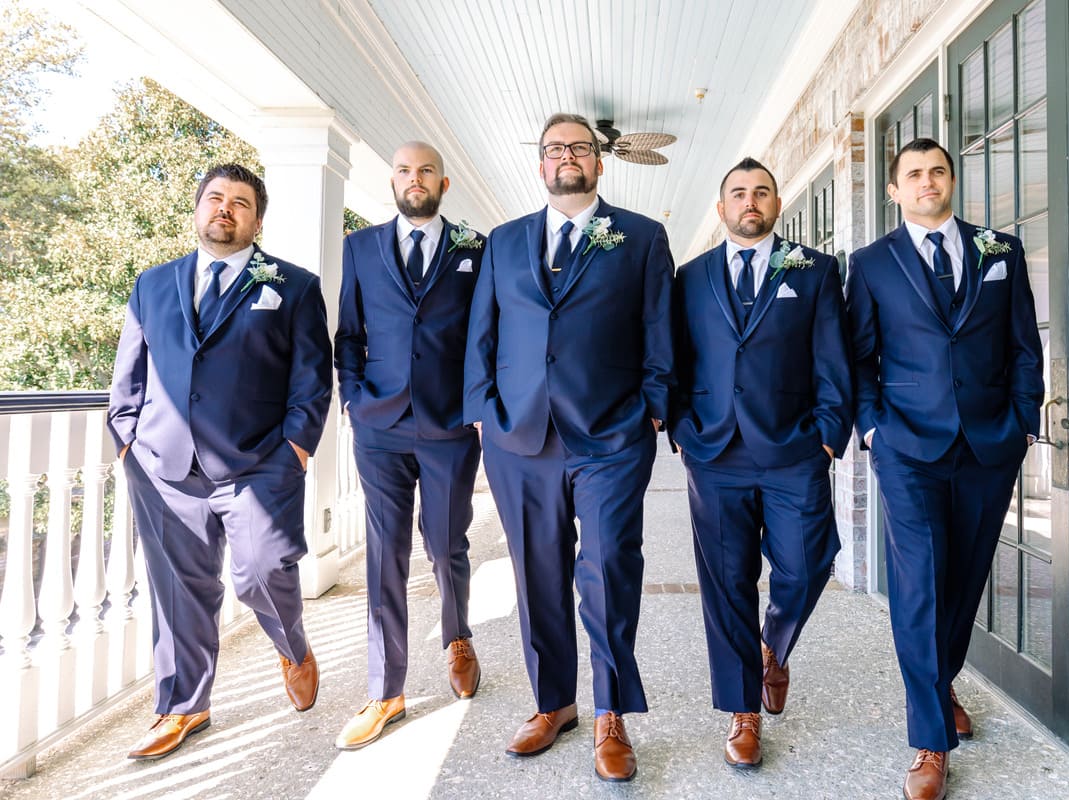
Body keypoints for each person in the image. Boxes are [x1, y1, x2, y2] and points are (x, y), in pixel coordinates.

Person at [463, 112, 673, 782]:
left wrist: (653, 408)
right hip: (519, 436)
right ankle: (554, 703)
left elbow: (659, 330)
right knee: (536, 573)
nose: (566, 158)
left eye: (578, 148)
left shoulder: (639, 237)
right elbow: (482, 334)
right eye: (554, 149)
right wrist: (483, 414)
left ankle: (611, 713)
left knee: (608, 566)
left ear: (599, 161)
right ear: (541, 163)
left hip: (611, 434)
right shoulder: (504, 242)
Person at [107, 163, 333, 760]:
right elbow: (129, 372)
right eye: (214, 198)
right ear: (198, 208)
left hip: (259, 463)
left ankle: (293, 647)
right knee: (179, 591)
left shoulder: (295, 286)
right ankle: (183, 707)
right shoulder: (152, 284)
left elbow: (312, 378)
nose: (224, 209)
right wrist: (126, 438)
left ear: (258, 219)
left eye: (239, 202)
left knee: (260, 570)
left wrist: (297, 448)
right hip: (163, 466)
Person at [844, 138, 1043, 800]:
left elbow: (1023, 344)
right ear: (894, 190)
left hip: (990, 444)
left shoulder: (999, 251)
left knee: (964, 576)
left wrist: (1023, 421)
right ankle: (930, 740)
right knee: (922, 582)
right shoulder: (871, 264)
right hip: (907, 449)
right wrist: (873, 430)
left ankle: (940, 679)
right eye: (913, 175)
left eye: (937, 171)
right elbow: (859, 357)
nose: (927, 182)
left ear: (951, 180)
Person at [668, 157, 853, 768]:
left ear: (778, 204)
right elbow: (674, 357)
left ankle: (772, 644)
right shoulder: (689, 277)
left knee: (808, 564)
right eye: (739, 193)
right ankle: (742, 711)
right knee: (726, 585)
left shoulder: (817, 270)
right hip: (714, 450)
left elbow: (833, 358)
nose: (751, 201)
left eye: (762, 192)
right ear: (721, 208)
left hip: (792, 450)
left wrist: (828, 435)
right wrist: (680, 429)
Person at [333, 141, 485, 750]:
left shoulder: (477, 249)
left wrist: (480, 407)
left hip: (450, 424)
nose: (413, 179)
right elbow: (348, 331)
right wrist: (352, 397)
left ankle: (457, 635)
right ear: (391, 180)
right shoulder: (360, 247)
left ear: (443, 183)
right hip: (379, 425)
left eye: (425, 171)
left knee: (446, 544)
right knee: (384, 553)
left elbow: (488, 332)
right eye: (403, 170)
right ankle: (386, 690)